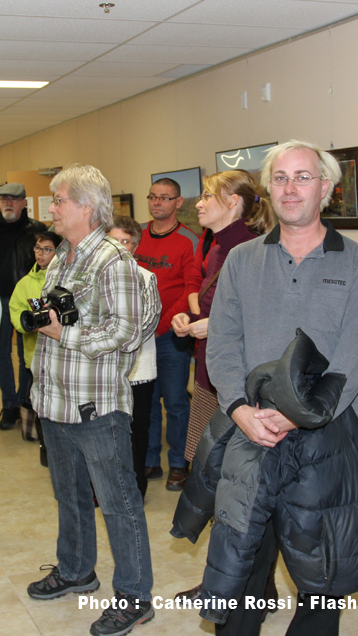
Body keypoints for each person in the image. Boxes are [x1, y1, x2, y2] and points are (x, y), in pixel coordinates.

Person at [201, 140, 358, 635]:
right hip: (250, 431)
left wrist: (295, 415)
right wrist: (240, 409)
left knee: (321, 578)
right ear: (267, 189)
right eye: (280, 178)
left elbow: (352, 357)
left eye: (303, 177)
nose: (291, 188)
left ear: (325, 188)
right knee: (241, 572)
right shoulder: (240, 260)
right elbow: (222, 344)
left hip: (325, 436)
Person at [26, 164, 159, 636]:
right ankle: (77, 569)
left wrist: (66, 332)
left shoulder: (112, 260)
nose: (53, 208)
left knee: (119, 503)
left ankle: (135, 597)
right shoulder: (63, 255)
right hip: (55, 402)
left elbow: (125, 333)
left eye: (59, 200)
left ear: (85, 206)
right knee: (69, 495)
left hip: (95, 406)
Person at [172, 170, 275, 470]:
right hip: (209, 374)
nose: (199, 204)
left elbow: (264, 320)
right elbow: (211, 305)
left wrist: (212, 326)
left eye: (206, 196)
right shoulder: (217, 248)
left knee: (230, 467)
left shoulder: (255, 252)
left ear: (231, 202)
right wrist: (187, 318)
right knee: (208, 466)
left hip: (237, 382)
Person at [134, 177, 200, 490]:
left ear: (178, 203)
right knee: (145, 403)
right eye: (152, 197)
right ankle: (149, 460)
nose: (157, 202)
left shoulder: (190, 240)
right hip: (138, 337)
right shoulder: (136, 236)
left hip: (171, 335)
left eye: (164, 198)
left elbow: (191, 288)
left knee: (175, 402)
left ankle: (178, 463)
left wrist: (162, 322)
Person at [0, 182, 46, 430]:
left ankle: (24, 401)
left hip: (27, 299)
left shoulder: (36, 230)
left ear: (24, 203)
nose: (8, 203)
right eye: (3, 198)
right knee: (0, 354)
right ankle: (8, 405)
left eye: (13, 199)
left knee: (25, 353)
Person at [107, 216, 162, 498]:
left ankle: (136, 487)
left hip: (138, 370)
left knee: (137, 430)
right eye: (114, 240)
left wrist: (111, 340)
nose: (120, 246)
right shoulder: (97, 277)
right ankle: (108, 488)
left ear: (136, 247)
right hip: (103, 370)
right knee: (106, 432)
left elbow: (149, 320)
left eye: (126, 242)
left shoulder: (145, 277)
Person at [8, 230, 62, 458]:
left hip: (63, 356)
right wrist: (29, 323)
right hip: (35, 357)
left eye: (47, 249)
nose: (41, 254)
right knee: (40, 406)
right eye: (38, 249)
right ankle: (45, 450)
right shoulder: (25, 283)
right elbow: (16, 313)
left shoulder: (64, 278)